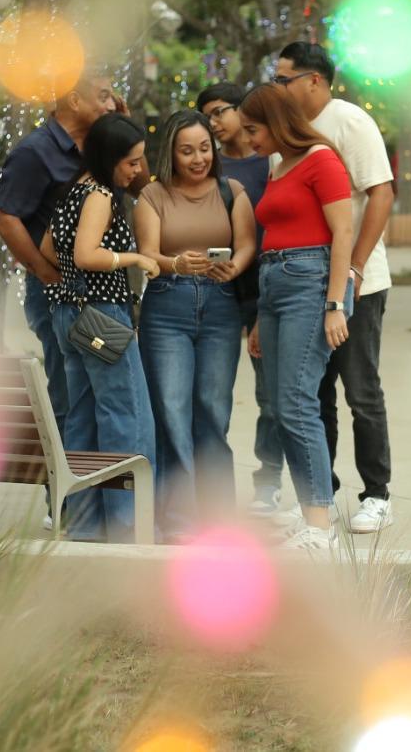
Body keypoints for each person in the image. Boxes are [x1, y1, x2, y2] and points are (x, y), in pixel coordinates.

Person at [273, 42, 397, 534]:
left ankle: (378, 495)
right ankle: (320, 495)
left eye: (284, 80)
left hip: (359, 285)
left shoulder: (349, 121)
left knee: (360, 390)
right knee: (314, 394)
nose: (277, 88)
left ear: (314, 80)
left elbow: (381, 193)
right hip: (308, 286)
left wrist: (357, 268)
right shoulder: (287, 133)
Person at [0, 73, 118, 527]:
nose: (111, 103)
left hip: (101, 292)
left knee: (102, 390)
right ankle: (64, 505)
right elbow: (7, 219)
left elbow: (136, 179)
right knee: (68, 393)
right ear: (74, 100)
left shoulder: (98, 146)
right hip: (57, 294)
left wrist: (120, 125)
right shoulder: (36, 151)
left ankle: (98, 501)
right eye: (103, 96)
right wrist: (45, 273)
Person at [240, 84, 354, 551]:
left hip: (311, 283)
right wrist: (261, 318)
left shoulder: (321, 159)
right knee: (281, 405)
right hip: (274, 285)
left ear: (276, 122)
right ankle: (311, 515)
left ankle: (320, 527)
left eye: (252, 129)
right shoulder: (279, 165)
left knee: (296, 403)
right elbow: (277, 233)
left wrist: (334, 304)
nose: (248, 139)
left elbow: (343, 232)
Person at [134, 110, 256, 540]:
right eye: (187, 151)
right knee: (171, 411)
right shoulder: (152, 195)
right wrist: (175, 264)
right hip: (167, 307)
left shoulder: (231, 191)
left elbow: (247, 245)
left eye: (205, 148)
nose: (198, 158)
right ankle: (178, 520)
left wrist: (235, 267)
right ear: (171, 153)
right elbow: (148, 255)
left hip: (221, 307)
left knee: (213, 411)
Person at [41, 113, 160, 542]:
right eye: (131, 161)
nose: (138, 169)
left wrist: (74, 285)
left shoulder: (73, 191)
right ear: (110, 159)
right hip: (101, 315)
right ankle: (129, 525)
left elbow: (48, 249)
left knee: (84, 417)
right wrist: (135, 259)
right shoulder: (99, 196)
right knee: (126, 413)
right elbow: (87, 255)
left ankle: (85, 524)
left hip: (68, 314)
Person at [197, 82, 281, 515]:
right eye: (206, 116)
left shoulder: (272, 160)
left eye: (219, 111)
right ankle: (211, 487)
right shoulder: (205, 165)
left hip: (267, 286)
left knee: (271, 394)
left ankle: (269, 482)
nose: (213, 123)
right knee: (213, 394)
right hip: (220, 287)